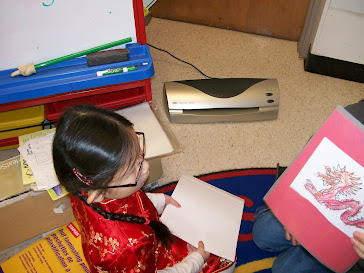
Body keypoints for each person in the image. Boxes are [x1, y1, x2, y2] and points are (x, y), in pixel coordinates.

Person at [52, 104, 235, 273]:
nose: (146, 166)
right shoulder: (127, 248)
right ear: (98, 192)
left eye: (140, 156)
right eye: (134, 168)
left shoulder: (85, 187)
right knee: (226, 261)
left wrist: (158, 201)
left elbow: (128, 202)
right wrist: (195, 261)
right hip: (142, 260)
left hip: (145, 245)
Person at [252, 100, 364, 273]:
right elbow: (320, 146)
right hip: (323, 211)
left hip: (354, 248)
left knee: (283, 270)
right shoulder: (359, 113)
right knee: (262, 233)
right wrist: (299, 219)